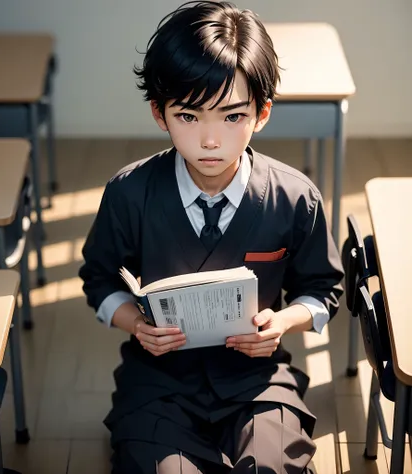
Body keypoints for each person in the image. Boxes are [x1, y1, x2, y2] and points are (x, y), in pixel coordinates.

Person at [79, 2, 344, 472]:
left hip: (257, 379)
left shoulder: (295, 196)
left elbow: (324, 290)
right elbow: (99, 279)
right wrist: (136, 326)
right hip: (159, 379)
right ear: (160, 114)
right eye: (188, 117)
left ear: (262, 114)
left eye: (231, 116)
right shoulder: (129, 192)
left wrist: (282, 323)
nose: (209, 140)